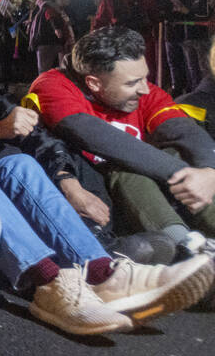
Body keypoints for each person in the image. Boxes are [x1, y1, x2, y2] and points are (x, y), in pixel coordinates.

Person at [0, 33, 212, 333]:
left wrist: (65, 178)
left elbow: (39, 141)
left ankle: (104, 273)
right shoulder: (52, 85)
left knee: (21, 163)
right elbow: (99, 139)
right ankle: (52, 280)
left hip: (38, 186)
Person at [29, 26, 215, 253]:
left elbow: (184, 131)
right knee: (124, 167)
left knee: (181, 154)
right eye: (132, 83)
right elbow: (101, 139)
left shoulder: (146, 92)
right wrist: (181, 175)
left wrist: (208, 172)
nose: (145, 89)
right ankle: (186, 249)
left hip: (146, 196)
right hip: (93, 196)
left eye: (144, 77)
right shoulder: (53, 86)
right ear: (94, 83)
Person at [27, 0, 73, 74]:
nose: (36, 2)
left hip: (46, 44)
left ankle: (44, 86)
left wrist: (56, 29)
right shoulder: (56, 8)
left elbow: (51, 17)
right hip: (56, 43)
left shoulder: (47, 8)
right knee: (61, 69)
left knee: (43, 71)